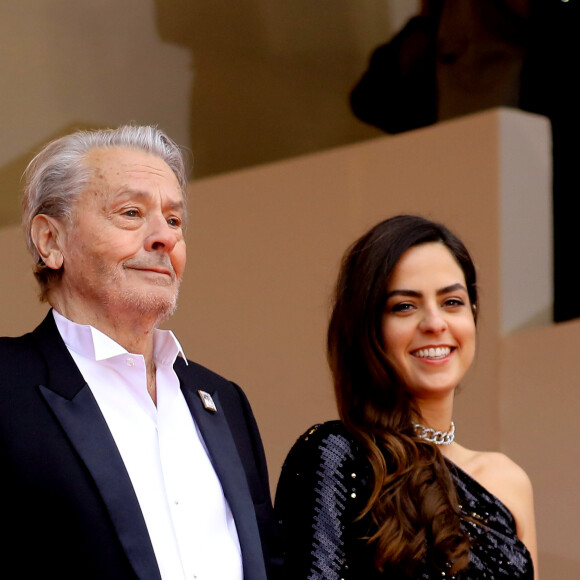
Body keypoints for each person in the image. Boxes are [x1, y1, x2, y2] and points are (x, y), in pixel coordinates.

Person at [0, 125, 279, 580]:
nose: (165, 238)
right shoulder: (8, 387)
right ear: (51, 241)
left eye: (174, 220)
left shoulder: (223, 400)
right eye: (131, 213)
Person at [275, 215, 537, 579]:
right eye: (404, 306)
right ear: (369, 328)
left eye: (452, 302)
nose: (434, 323)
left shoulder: (509, 481)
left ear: (473, 313)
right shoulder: (334, 455)